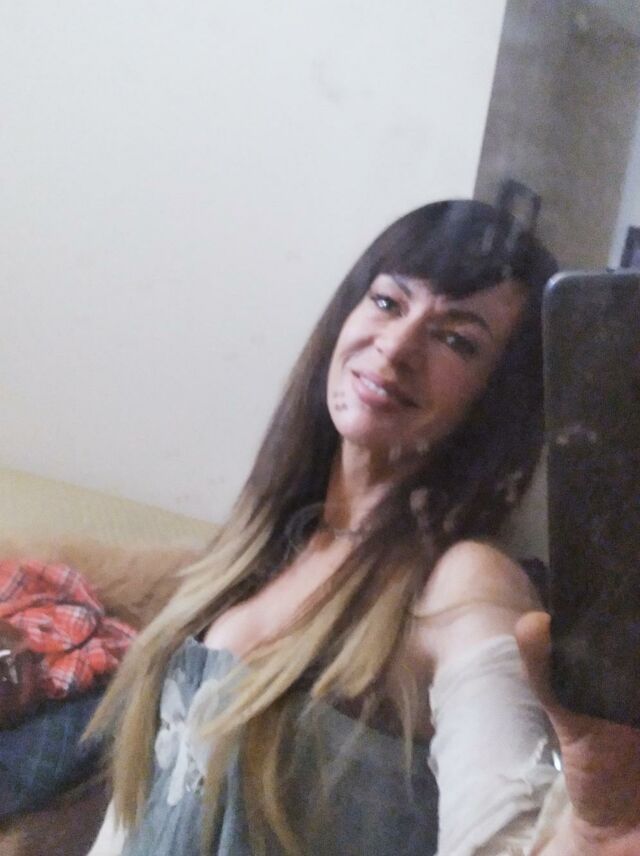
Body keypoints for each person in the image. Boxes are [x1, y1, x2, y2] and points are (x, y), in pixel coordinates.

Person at [86, 200, 640, 855]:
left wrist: (599, 827)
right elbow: (134, 818)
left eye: (457, 340)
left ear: (499, 401)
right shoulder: (263, 545)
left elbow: (502, 844)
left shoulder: (463, 582)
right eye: (387, 302)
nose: (397, 346)